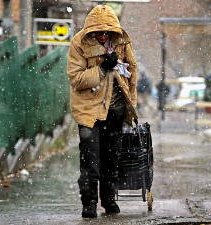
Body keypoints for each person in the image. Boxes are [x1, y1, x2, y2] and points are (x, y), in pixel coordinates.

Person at [66, 4, 138, 218]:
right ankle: (88, 203)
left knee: (111, 159)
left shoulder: (122, 41)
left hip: (115, 110)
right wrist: (103, 68)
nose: (102, 36)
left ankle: (108, 200)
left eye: (106, 32)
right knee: (90, 160)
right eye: (98, 32)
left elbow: (131, 74)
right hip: (89, 111)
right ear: (91, 31)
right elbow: (76, 79)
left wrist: (131, 108)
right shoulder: (78, 43)